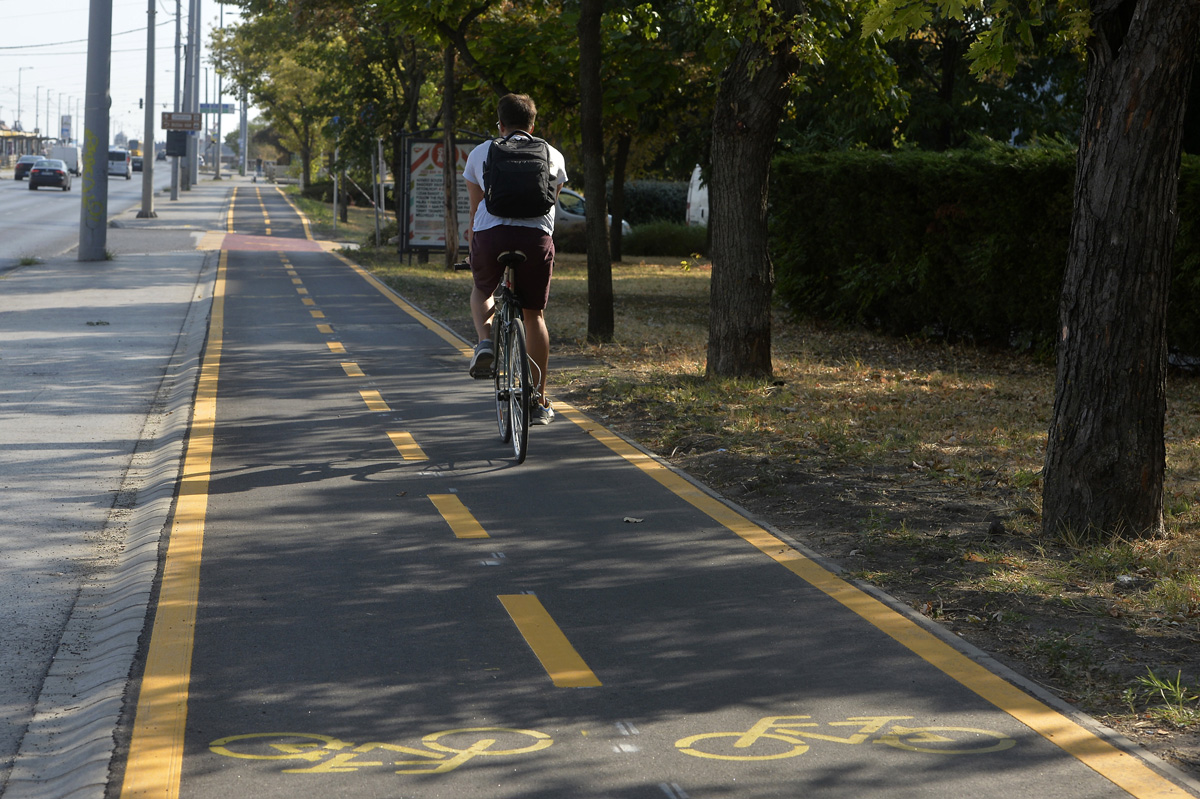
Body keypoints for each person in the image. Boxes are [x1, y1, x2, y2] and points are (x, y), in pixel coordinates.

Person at [463, 93, 568, 425]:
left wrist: (473, 247)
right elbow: (550, 203)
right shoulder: (552, 155)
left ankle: (485, 343)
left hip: (492, 237)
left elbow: (476, 209)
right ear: (532, 125)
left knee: (482, 289)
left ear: (500, 124)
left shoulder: (481, 153)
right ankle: (538, 400)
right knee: (534, 314)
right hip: (535, 240)